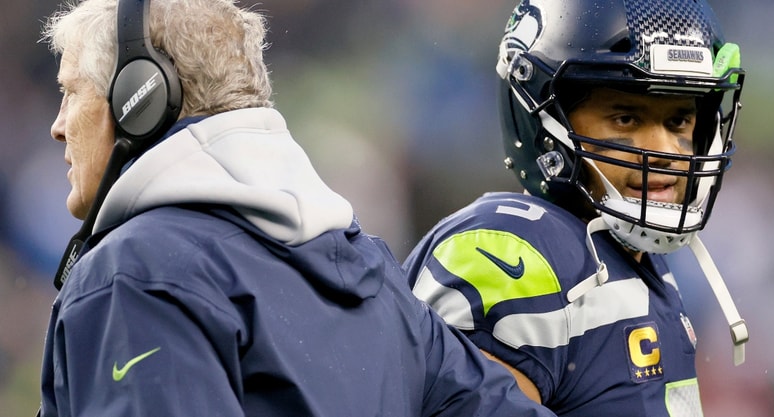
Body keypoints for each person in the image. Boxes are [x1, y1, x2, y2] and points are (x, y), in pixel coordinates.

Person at [37, 0, 560, 416]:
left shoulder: (134, 275)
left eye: (70, 92)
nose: (59, 124)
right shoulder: (366, 265)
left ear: (140, 97)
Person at [403, 0, 750, 416]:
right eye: (626, 119)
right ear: (546, 124)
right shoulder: (516, 257)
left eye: (678, 122)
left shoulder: (631, 255)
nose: (664, 152)